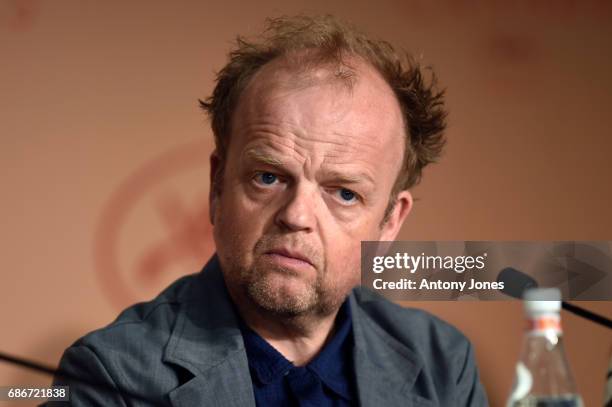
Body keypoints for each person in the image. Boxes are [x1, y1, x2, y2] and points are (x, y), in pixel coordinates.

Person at [49, 15, 488, 406]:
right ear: (217, 186)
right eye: (268, 177)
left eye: (344, 194)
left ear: (390, 222)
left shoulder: (443, 365)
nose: (296, 216)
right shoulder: (109, 375)